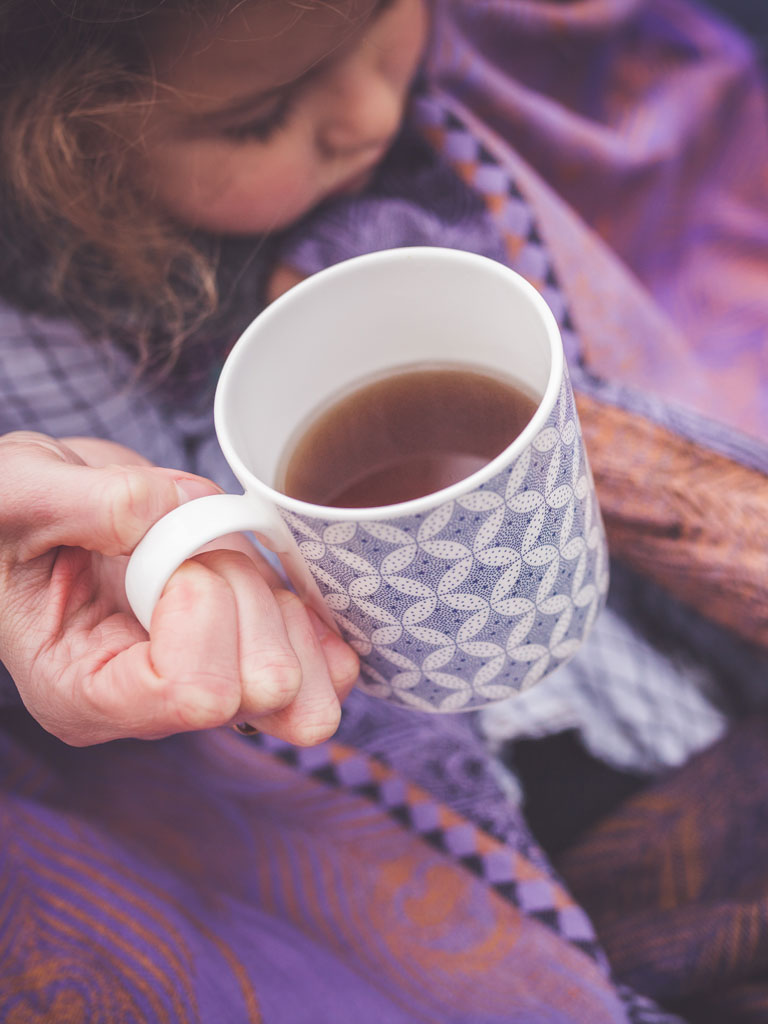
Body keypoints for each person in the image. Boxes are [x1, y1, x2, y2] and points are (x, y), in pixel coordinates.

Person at [1, 1, 767, 1021]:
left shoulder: (475, 71)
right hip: (341, 759)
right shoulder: (37, 359)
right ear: (55, 153)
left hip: (636, 655)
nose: (371, 111)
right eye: (262, 116)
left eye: (380, 21)